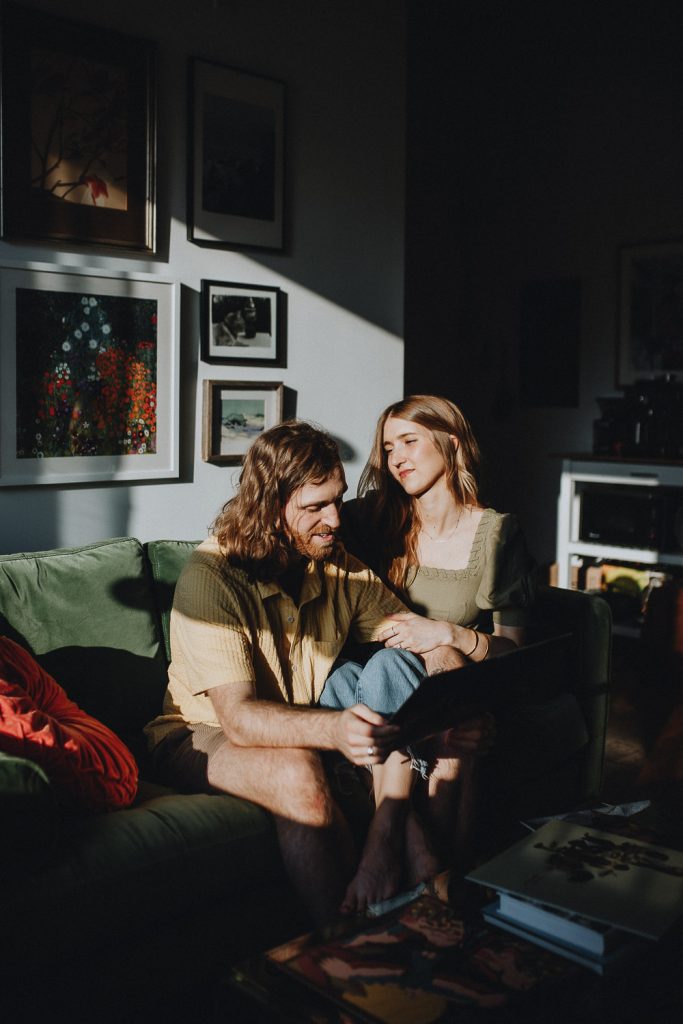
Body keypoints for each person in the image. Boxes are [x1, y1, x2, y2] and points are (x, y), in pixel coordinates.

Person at [144, 420, 461, 925]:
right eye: (315, 507)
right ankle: (344, 946)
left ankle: (398, 899)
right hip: (194, 733)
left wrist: (455, 682)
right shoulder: (211, 578)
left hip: (295, 722)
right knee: (297, 768)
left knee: (391, 690)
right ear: (270, 508)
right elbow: (240, 720)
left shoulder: (337, 566)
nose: (335, 519)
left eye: (336, 499)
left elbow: (420, 640)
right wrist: (336, 729)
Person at [321, 394, 536, 911]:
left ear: (450, 442)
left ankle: (398, 856)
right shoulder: (374, 521)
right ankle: (423, 861)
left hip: (448, 689)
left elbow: (515, 655)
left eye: (410, 441)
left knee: (395, 675)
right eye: (389, 447)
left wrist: (449, 634)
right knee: (341, 680)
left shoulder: (496, 534)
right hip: (375, 686)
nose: (397, 458)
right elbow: (299, 515)